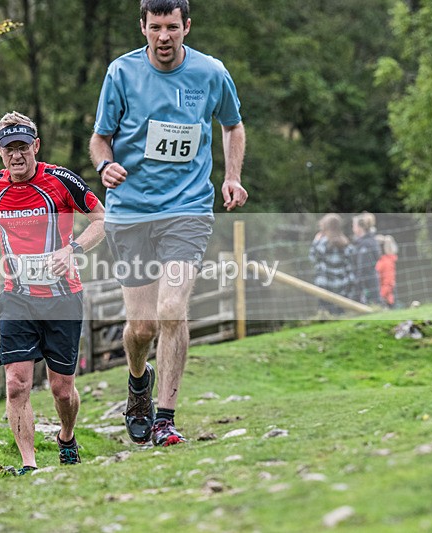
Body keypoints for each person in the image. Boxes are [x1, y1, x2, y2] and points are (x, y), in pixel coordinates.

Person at [88, 0, 248, 447]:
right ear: (142, 27)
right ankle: (138, 382)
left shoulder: (210, 72)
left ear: (186, 27)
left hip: (187, 209)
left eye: (172, 27)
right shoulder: (121, 73)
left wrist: (232, 177)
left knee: (172, 308)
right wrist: (104, 166)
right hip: (131, 212)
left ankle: (165, 417)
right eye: (155, 27)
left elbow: (233, 125)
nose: (164, 36)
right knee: (142, 328)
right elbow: (100, 138)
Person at [0, 111, 105, 474]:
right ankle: (29, 465)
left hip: (63, 297)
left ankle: (66, 435)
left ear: (36, 146)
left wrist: (73, 249)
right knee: (16, 384)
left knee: (62, 390)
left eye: (23, 147)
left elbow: (101, 220)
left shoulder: (60, 181)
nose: (16, 155)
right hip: (16, 296)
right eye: (9, 149)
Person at [309, 214, 356, 315]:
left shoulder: (322, 243)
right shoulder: (346, 244)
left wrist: (315, 241)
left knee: (326, 313)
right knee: (341, 313)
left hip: (325, 285)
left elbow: (313, 258)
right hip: (342, 285)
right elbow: (350, 264)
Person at [352, 213, 382, 305]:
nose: (352, 228)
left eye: (354, 225)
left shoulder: (365, 244)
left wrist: (357, 283)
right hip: (372, 280)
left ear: (359, 228)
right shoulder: (369, 241)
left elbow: (364, 267)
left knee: (373, 304)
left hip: (367, 283)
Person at [375, 235, 399, 309]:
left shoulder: (386, 262)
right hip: (384, 296)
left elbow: (388, 282)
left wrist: (380, 296)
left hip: (387, 300)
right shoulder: (383, 261)